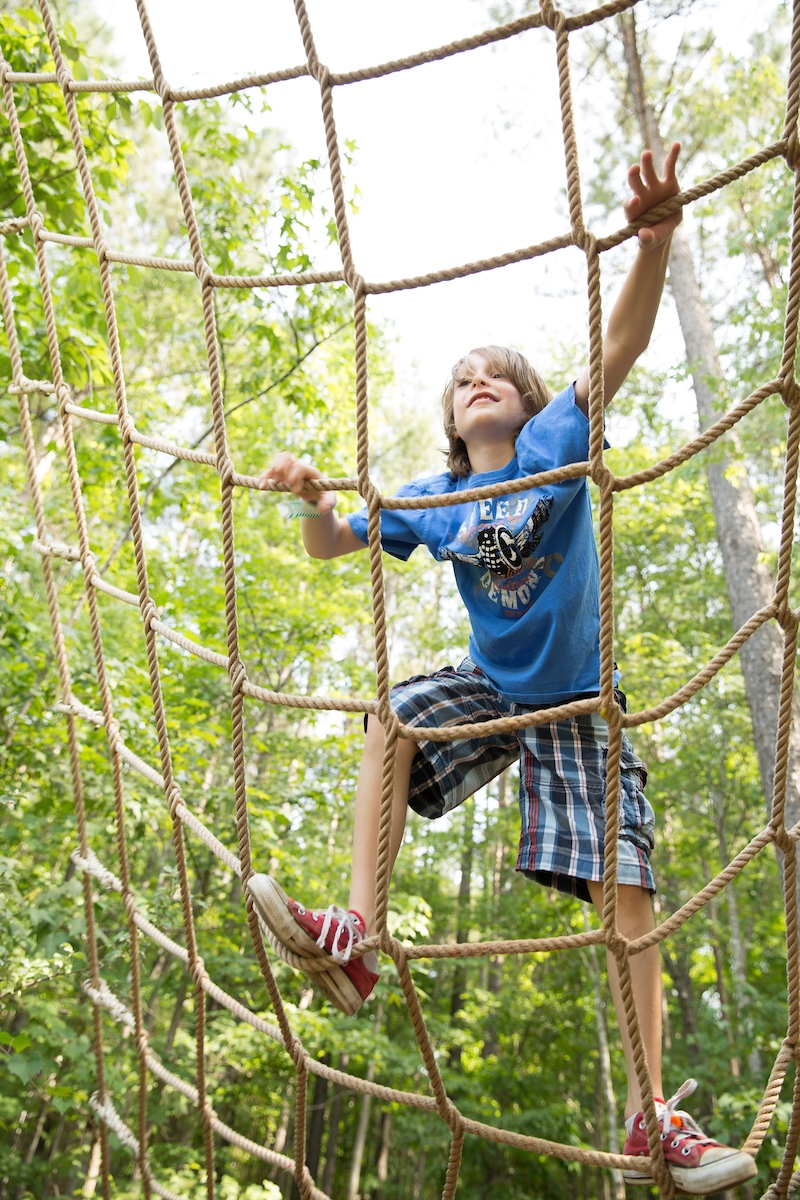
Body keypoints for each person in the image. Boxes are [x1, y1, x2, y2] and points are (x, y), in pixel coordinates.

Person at [249, 144, 757, 1196]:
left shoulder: (551, 449)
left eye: (497, 374)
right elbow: (332, 544)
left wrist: (651, 247)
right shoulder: (435, 503)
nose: (477, 379)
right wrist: (307, 497)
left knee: (626, 881)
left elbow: (613, 350)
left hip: (577, 698)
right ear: (449, 421)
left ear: (523, 404)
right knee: (389, 716)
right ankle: (358, 937)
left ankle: (650, 1113)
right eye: (461, 379)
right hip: (492, 693)